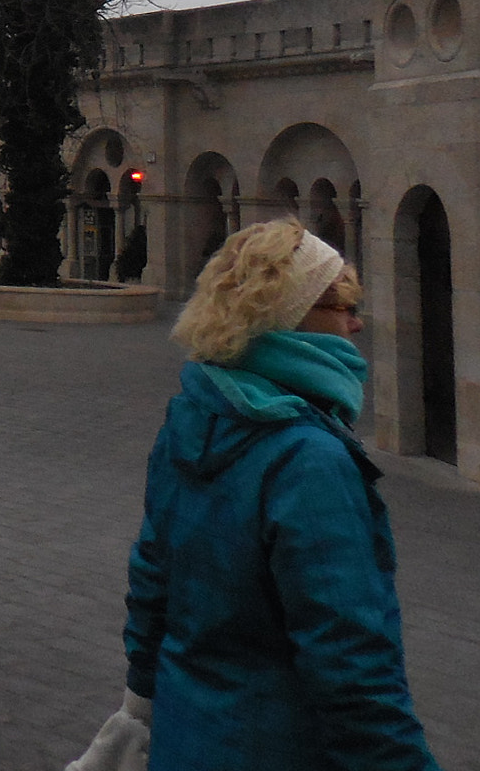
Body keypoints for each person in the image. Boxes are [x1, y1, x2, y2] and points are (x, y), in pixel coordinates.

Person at [74, 219, 440, 771]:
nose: (358, 323)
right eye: (343, 305)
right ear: (291, 317)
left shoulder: (193, 416)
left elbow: (152, 577)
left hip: (186, 735)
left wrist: (142, 700)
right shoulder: (307, 460)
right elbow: (351, 664)